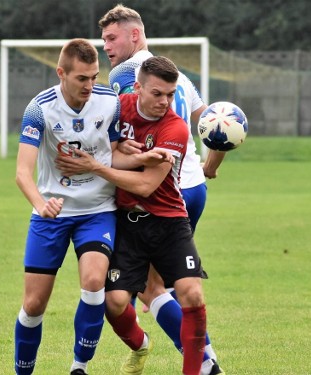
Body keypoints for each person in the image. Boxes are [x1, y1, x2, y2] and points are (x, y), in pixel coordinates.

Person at [57, 56, 209, 375]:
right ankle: (141, 344)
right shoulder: (115, 108)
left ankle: (199, 368)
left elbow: (144, 185)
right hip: (127, 224)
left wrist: (97, 165)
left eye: (170, 94)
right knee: (113, 304)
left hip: (169, 221)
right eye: (157, 93)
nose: (165, 102)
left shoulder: (175, 128)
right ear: (137, 88)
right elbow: (85, 133)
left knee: (192, 294)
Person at [98, 5, 225, 375]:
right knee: (166, 286)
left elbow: (125, 131)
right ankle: (199, 358)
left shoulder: (129, 73)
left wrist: (109, 160)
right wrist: (213, 163)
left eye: (112, 38)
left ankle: (204, 362)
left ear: (134, 35)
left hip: (160, 189)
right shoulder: (177, 75)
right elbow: (214, 121)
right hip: (194, 186)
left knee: (151, 290)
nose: (106, 46)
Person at [13, 38, 119, 375]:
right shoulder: (39, 108)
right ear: (61, 73)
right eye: (82, 79)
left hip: (98, 209)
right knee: (33, 305)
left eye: (94, 77)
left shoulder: (110, 102)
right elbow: (22, 173)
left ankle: (79, 367)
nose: (90, 85)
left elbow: (118, 152)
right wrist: (41, 204)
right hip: (51, 216)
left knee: (92, 282)